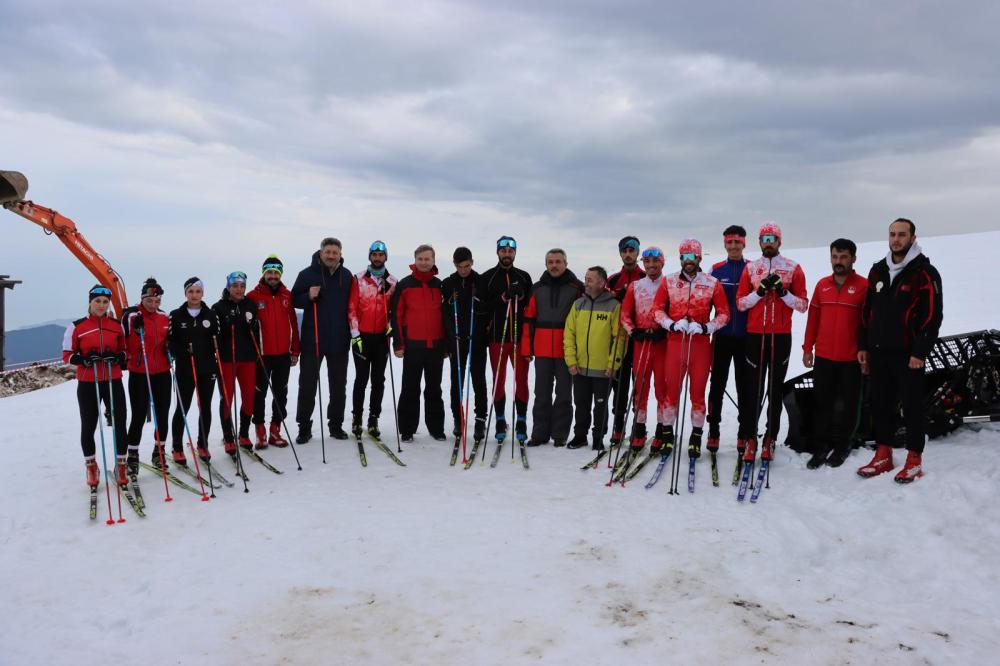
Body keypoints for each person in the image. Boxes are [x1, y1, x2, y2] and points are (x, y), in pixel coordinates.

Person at [857, 218, 943, 483]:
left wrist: (920, 351)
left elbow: (932, 316)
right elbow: (866, 313)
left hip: (908, 355)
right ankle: (883, 453)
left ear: (913, 238)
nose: (896, 239)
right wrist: (863, 346)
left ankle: (914, 458)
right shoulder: (878, 270)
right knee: (880, 404)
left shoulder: (925, 272)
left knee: (912, 406)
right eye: (893, 234)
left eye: (902, 235)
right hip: (879, 351)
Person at [735, 222, 808, 463]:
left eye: (772, 238)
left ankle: (770, 437)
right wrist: (759, 293)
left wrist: (784, 293)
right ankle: (750, 437)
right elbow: (740, 304)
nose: (768, 242)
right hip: (755, 335)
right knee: (753, 389)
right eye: (764, 238)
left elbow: (802, 305)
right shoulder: (751, 268)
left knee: (774, 389)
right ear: (759, 242)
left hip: (780, 335)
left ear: (779, 241)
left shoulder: (792, 268)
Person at [654, 239, 730, 458]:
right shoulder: (668, 282)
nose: (688, 261)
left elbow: (724, 314)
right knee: (672, 393)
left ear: (699, 258)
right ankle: (668, 435)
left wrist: (706, 327)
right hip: (675, 343)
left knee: (697, 393)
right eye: (684, 257)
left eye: (692, 256)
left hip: (699, 345)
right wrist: (671, 324)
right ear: (680, 259)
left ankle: (696, 436)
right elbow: (657, 310)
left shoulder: (712, 282)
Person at [802, 239, 868, 469]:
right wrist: (807, 348)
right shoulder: (822, 285)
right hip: (824, 357)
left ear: (853, 258)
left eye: (843, 257)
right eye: (835, 257)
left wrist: (865, 350)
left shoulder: (864, 286)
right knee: (823, 403)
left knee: (850, 405)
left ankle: (842, 446)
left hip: (851, 358)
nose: (838, 262)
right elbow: (813, 319)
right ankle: (821, 446)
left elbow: (868, 323)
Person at [63, 285, 129, 487]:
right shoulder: (77, 326)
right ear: (90, 302)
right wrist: (82, 359)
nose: (101, 305)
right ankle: (91, 466)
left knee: (119, 422)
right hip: (88, 382)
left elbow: (125, 351)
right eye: (97, 301)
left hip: (112, 379)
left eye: (105, 302)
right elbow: (67, 355)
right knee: (89, 424)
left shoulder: (117, 325)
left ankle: (121, 465)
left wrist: (118, 356)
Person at [292, 237, 353, 442]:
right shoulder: (307, 274)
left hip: (339, 341)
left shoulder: (346, 276)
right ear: (321, 253)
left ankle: (335, 425)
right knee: (307, 385)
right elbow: (293, 299)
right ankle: (304, 427)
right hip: (313, 339)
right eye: (328, 252)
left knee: (338, 386)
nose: (331, 255)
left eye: (335, 252)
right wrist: (308, 296)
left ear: (340, 254)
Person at [522, 249, 583, 447]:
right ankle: (539, 434)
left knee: (564, 394)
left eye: (558, 261)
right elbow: (529, 319)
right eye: (550, 262)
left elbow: (582, 323)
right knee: (541, 393)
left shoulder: (577, 288)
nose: (554, 265)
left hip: (566, 350)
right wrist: (526, 348)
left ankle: (560, 434)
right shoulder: (537, 288)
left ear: (565, 263)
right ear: (546, 264)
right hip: (541, 350)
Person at [390, 244, 447, 441]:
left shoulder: (440, 286)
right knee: (410, 389)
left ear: (433, 261)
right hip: (413, 346)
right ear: (415, 260)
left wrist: (446, 345)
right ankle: (407, 430)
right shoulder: (405, 285)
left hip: (435, 347)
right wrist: (398, 343)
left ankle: (436, 428)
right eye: (420, 259)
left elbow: (446, 317)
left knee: (434, 389)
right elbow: (396, 316)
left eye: (427, 259)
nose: (424, 262)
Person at [480, 236, 533, 443]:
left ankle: (521, 419)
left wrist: (521, 297)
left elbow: (530, 306)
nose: (507, 254)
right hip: (497, 339)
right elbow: (482, 306)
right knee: (498, 381)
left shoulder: (524, 276)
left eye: (510, 251)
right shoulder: (488, 277)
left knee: (521, 380)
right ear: (498, 252)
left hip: (520, 339)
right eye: (503, 250)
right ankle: (500, 419)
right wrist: (502, 298)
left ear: (515, 253)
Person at [564, 266, 623, 450]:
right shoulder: (578, 305)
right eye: (585, 278)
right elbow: (569, 334)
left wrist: (613, 364)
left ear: (602, 282)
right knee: (581, 404)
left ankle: (598, 437)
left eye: (590, 279)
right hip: (579, 368)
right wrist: (571, 361)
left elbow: (619, 338)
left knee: (600, 406)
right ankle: (580, 436)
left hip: (603, 370)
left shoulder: (613, 306)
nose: (586, 283)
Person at [247, 255, 300, 448]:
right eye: (269, 272)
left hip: (283, 354)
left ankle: (275, 429)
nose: (272, 276)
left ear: (280, 274)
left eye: (276, 273)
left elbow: (294, 323)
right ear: (263, 273)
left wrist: (295, 350)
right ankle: (260, 430)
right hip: (262, 354)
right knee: (259, 393)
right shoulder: (253, 296)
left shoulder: (287, 295)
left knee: (281, 392)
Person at [706, 225, 750, 455]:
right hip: (722, 337)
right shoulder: (716, 270)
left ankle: (744, 431)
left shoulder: (752, 269)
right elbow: (706, 302)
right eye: (729, 242)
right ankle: (713, 429)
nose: (733, 246)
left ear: (744, 243)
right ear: (724, 244)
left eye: (737, 242)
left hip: (745, 338)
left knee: (745, 386)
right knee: (717, 384)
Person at [619, 247, 668, 451]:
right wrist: (633, 332)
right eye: (647, 262)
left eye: (655, 262)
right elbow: (625, 314)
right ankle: (639, 429)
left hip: (662, 343)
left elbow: (675, 311)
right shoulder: (635, 286)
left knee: (662, 389)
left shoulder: (669, 284)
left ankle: (661, 430)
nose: (651, 266)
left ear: (662, 263)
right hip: (641, 342)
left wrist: (665, 330)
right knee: (640, 388)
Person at [121, 278, 171, 473]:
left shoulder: (164, 317)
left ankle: (159, 452)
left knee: (162, 413)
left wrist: (170, 347)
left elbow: (169, 339)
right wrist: (133, 328)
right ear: (142, 298)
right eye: (149, 300)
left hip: (162, 373)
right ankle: (132, 454)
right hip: (140, 373)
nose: (153, 304)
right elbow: (121, 339)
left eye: (157, 301)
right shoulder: (132, 316)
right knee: (139, 414)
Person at [348, 241, 397, 440]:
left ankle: (373, 418)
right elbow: (351, 307)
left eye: (381, 255)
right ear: (370, 256)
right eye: (374, 254)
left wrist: (392, 325)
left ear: (386, 257)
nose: (377, 258)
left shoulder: (393, 282)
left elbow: (395, 310)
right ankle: (357, 417)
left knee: (378, 379)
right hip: (362, 337)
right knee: (361, 378)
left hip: (381, 338)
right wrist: (355, 334)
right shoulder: (358, 278)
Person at [167, 277, 219, 464]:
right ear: (185, 293)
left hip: (207, 367)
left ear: (202, 293)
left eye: (198, 291)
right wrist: (181, 351)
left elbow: (217, 337)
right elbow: (170, 341)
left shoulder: (211, 314)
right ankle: (177, 447)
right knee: (183, 407)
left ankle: (202, 444)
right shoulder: (176, 315)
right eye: (191, 291)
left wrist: (215, 346)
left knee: (205, 407)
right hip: (185, 368)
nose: (194, 295)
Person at [441, 246, 489, 443]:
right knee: (457, 382)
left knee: (478, 379)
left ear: (472, 262)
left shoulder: (480, 281)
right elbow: (444, 313)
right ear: (454, 265)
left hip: (476, 340)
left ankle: (479, 418)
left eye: (467, 266)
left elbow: (488, 310)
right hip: (457, 340)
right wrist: (450, 303)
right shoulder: (447, 283)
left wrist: (480, 305)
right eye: (460, 267)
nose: (464, 270)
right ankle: (457, 418)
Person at [213, 272, 260, 452]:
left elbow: (256, 330)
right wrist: (226, 327)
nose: (239, 289)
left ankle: (244, 433)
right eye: (235, 286)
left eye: (242, 286)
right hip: (227, 359)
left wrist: (253, 326)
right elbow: (215, 333)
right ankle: (228, 436)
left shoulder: (250, 305)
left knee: (249, 397)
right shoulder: (218, 307)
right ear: (228, 287)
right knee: (227, 398)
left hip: (248, 358)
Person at [607, 236, 645, 444]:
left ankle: (639, 427)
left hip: (641, 338)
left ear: (637, 253)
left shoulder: (645, 275)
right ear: (620, 253)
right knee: (619, 386)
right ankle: (618, 428)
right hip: (620, 339)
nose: (628, 254)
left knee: (640, 385)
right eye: (624, 251)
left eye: (632, 250)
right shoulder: (613, 279)